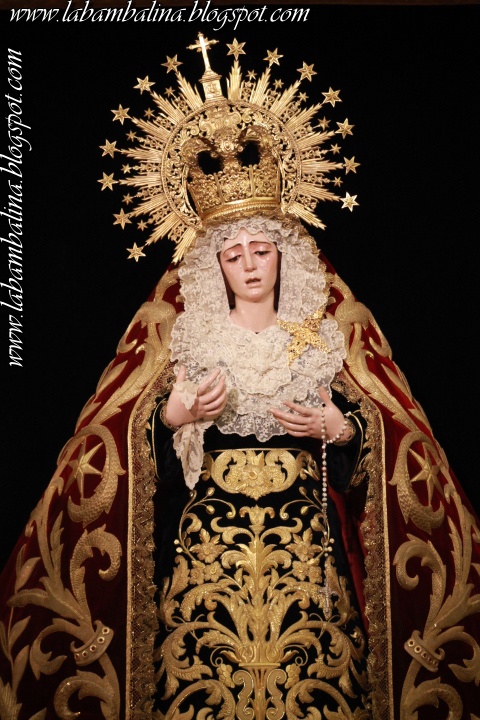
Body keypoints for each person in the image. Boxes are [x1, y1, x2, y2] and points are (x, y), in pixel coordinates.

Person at [0, 32, 479, 720]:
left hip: (308, 551)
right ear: (214, 265)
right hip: (209, 550)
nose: (250, 265)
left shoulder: (331, 330)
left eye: (261, 250)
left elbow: (394, 436)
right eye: (234, 255)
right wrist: (172, 418)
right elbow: (116, 447)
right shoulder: (179, 334)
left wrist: (343, 428)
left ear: (283, 254)